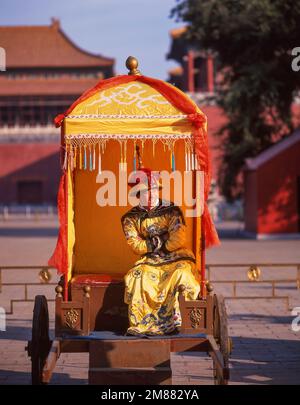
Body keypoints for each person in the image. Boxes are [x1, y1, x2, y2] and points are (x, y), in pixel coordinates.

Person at [121, 154, 200, 336]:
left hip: (175, 256)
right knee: (136, 276)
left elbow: (178, 237)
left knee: (182, 274)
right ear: (138, 194)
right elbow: (134, 243)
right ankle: (140, 324)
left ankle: (177, 321)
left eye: (154, 190)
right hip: (150, 260)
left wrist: (160, 245)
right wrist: (155, 244)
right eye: (147, 191)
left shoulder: (171, 211)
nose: (151, 194)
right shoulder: (131, 218)